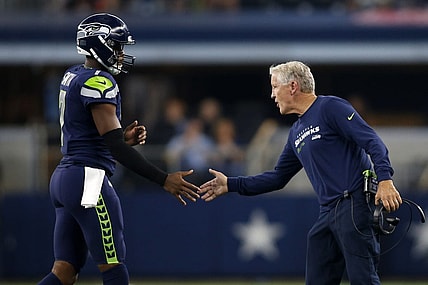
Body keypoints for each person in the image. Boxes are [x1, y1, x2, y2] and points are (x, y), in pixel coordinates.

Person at [199, 61, 402, 285]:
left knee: (363, 280)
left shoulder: (330, 107)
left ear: (293, 86)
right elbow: (277, 177)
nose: (272, 95)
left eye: (275, 87)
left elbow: (373, 141)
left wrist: (385, 179)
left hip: (353, 205)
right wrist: (231, 184)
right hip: (327, 213)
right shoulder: (296, 132)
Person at [38, 13, 200, 285]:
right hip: (88, 179)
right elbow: (113, 147)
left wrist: (120, 137)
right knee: (113, 266)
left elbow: (91, 133)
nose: (121, 53)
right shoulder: (99, 82)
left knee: (64, 271)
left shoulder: (73, 74)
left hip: (65, 176)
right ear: (98, 44)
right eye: (117, 46)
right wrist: (163, 178)